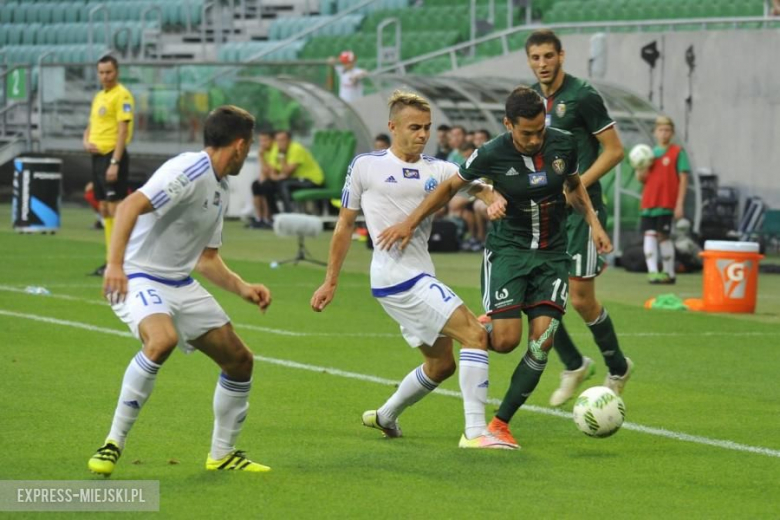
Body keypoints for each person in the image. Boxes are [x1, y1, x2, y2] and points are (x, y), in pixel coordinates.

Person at [377, 86, 612, 447]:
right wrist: (410, 222)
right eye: (526, 133)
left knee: (542, 342)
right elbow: (450, 187)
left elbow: (574, 187)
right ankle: (478, 325)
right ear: (508, 124)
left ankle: (500, 423)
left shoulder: (563, 144)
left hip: (553, 255)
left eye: (540, 131)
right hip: (508, 253)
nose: (535, 140)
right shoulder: (490, 153)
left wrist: (594, 226)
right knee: (504, 343)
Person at [310, 90, 514, 450]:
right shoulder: (366, 166)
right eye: (414, 127)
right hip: (397, 277)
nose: (422, 134)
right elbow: (343, 226)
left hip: (419, 276)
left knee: (441, 366)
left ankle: (386, 415)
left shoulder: (439, 169)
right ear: (392, 127)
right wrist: (330, 281)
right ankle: (476, 432)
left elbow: (476, 186)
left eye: (427, 128)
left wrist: (491, 199)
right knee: (474, 335)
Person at [88, 106, 272, 476]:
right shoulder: (189, 170)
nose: (247, 152)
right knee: (161, 340)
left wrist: (242, 288)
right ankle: (112, 443)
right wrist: (114, 265)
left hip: (179, 283)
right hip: (139, 276)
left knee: (240, 361)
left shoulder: (220, 185)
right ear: (238, 145)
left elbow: (206, 259)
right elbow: (128, 206)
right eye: (248, 145)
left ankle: (221, 454)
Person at [526, 29, 632, 406]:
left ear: (561, 56)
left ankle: (618, 366)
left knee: (582, 299)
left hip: (582, 212)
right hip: (547, 213)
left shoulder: (582, 95)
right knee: (535, 293)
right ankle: (573, 363)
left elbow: (615, 150)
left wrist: (576, 185)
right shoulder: (531, 100)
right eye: (535, 58)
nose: (542, 64)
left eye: (548, 56)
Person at [83, 55, 134, 277]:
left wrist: (115, 161)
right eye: (101, 72)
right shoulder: (98, 96)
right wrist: (85, 141)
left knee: (116, 209)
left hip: (113, 156)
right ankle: (110, 259)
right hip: (97, 157)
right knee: (104, 208)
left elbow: (123, 130)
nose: (105, 76)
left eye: (109, 72)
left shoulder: (122, 95)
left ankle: (122, 261)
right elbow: (91, 125)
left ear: (117, 72)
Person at [636, 116, 690, 284]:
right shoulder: (649, 154)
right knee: (649, 235)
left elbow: (683, 179)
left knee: (664, 236)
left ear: (672, 133)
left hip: (667, 203)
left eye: (667, 130)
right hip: (649, 202)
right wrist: (640, 167)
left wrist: (679, 203)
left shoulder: (677, 152)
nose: (664, 133)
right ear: (655, 133)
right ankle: (652, 272)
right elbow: (642, 178)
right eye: (660, 130)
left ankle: (669, 273)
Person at [272, 130, 324, 212]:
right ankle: (270, 217)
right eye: (277, 140)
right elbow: (272, 170)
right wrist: (276, 177)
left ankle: (289, 214)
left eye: (282, 140)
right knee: (267, 185)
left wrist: (282, 156)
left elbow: (287, 172)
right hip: (297, 179)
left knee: (284, 184)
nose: (280, 143)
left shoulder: (296, 149)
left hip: (312, 180)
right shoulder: (277, 149)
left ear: (289, 140)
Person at [249, 129, 279, 229]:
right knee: (256, 185)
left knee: (265, 186)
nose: (262, 143)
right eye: (261, 141)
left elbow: (270, 171)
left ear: (272, 140)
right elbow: (263, 173)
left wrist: (261, 157)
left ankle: (267, 218)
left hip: (279, 180)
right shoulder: (265, 151)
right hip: (270, 178)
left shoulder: (276, 150)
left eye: (265, 140)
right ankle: (259, 218)